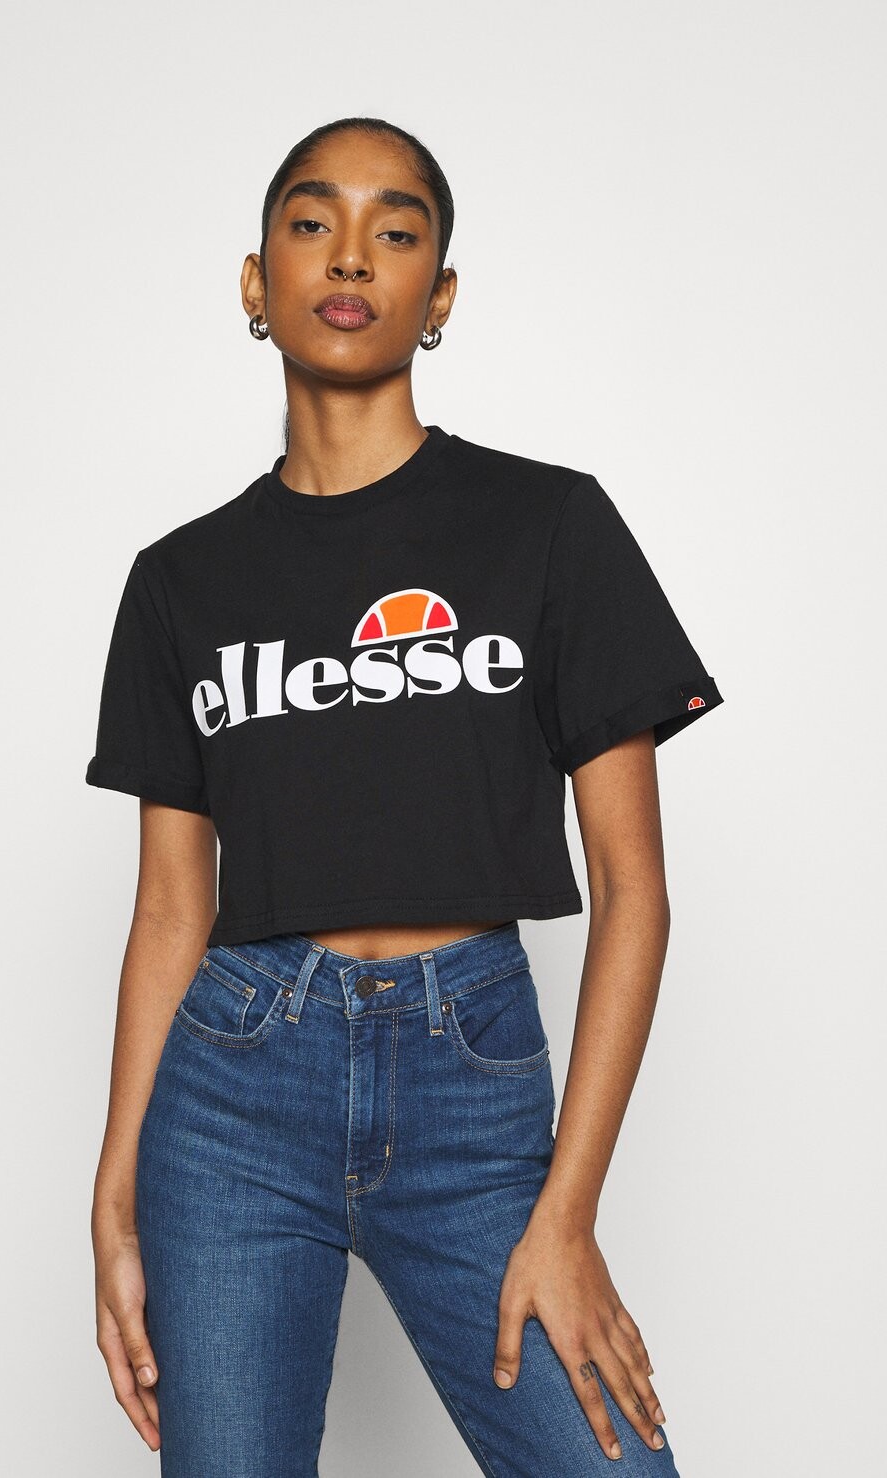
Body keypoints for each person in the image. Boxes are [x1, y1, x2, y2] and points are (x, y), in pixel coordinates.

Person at [86, 115, 723, 1477]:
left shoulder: (550, 525)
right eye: (312, 222)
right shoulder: (178, 582)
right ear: (256, 281)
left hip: (472, 1087)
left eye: (397, 230)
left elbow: (636, 892)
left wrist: (567, 1213)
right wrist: (115, 1198)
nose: (350, 256)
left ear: (439, 296)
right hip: (232, 1098)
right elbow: (168, 911)